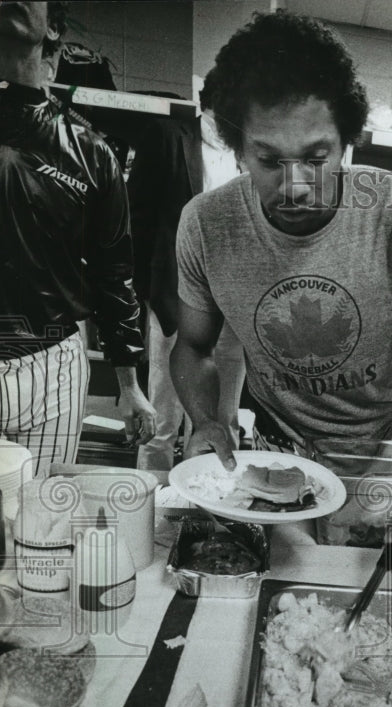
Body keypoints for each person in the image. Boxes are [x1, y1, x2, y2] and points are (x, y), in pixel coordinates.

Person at [171, 11, 392, 565]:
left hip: (382, 449)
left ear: (347, 141)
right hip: (274, 449)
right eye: (269, 160)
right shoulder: (206, 224)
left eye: (316, 157)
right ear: (236, 148)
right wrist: (207, 422)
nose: (297, 186)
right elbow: (193, 346)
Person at [0, 1, 155, 477]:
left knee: (39, 528)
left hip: (53, 368)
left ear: (54, 30)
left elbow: (114, 273)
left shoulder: (91, 152)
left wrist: (129, 385)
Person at [127, 71, 245, 472]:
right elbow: (137, 221)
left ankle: (211, 513)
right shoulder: (166, 137)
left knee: (223, 420)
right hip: (175, 301)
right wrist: (146, 294)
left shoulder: (252, 154)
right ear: (209, 97)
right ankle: (152, 515)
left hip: (234, 309)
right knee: (163, 419)